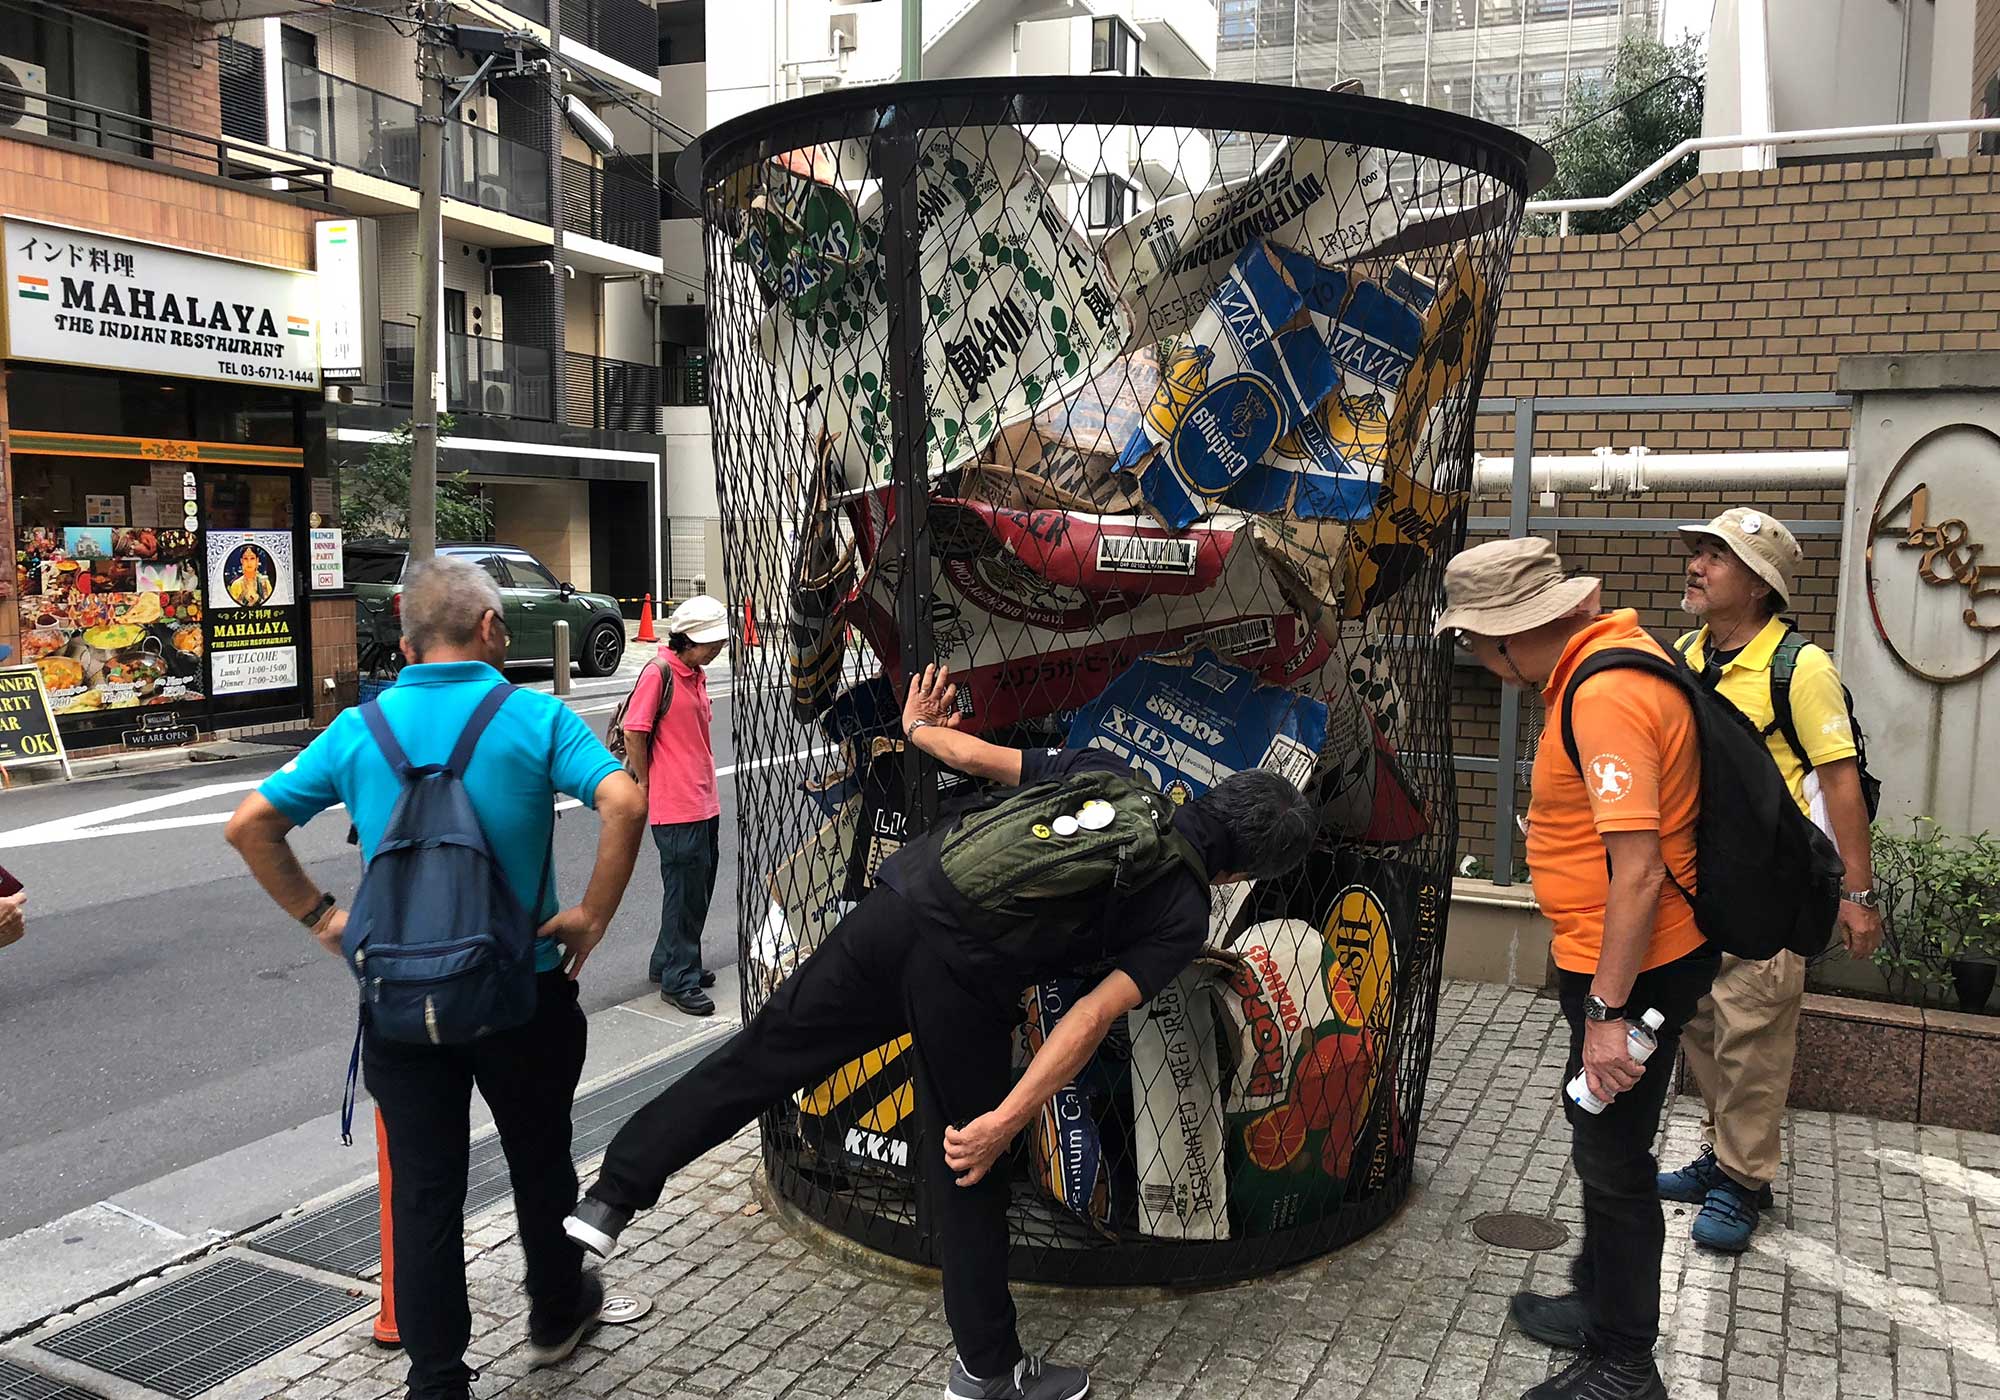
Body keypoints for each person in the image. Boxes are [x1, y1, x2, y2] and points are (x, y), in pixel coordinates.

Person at [563, 664, 1318, 1400]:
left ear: (1214, 797)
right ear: (1240, 872)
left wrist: (919, 728)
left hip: (897, 907)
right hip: (965, 982)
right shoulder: (1184, 914)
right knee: (969, 1169)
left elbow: (975, 756)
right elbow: (1088, 1018)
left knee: (757, 1057)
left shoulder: (1109, 773)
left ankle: (611, 1196)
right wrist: (1005, 1122)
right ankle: (987, 1369)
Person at [224, 557, 648, 1400]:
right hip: (522, 991)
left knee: (424, 1192)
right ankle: (556, 1313)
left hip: (401, 1004)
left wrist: (324, 919)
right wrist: (592, 916)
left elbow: (250, 826)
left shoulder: (359, 730)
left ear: (407, 637)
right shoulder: (533, 716)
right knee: (540, 1162)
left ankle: (438, 1379)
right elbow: (625, 802)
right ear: (490, 627)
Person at [1438, 537, 1718, 1400]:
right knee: (1603, 1136)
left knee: (1613, 1158)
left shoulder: (1604, 695)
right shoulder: (1603, 666)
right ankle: (1598, 1301)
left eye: (1479, 643)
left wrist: (1605, 1014)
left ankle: (1625, 1363)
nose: (1481, 661)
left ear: (1518, 631)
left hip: (1634, 970)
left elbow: (1637, 871)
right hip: (1623, 961)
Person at [1657, 508, 1881, 1252]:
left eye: (1716, 558)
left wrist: (1856, 895)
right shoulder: (1688, 654)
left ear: (1759, 586)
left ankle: (1743, 1181)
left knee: (1753, 1035)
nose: (1696, 566)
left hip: (1771, 887)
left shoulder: (1801, 668)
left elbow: (1841, 784)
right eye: (1698, 552)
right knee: (1701, 1025)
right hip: (1698, 883)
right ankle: (1724, 1154)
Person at [622, 594, 730, 1015]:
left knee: (695, 889)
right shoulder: (660, 672)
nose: (718, 648)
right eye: (711, 642)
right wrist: (645, 782)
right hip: (677, 804)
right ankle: (679, 979)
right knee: (685, 892)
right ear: (689, 640)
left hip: (702, 799)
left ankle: (669, 960)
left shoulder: (695, 674)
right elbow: (634, 730)